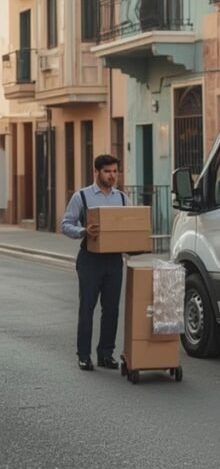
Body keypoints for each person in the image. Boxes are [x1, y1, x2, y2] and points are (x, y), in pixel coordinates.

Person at [62, 154, 130, 371]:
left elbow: (130, 224)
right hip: (90, 260)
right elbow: (65, 224)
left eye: (115, 171)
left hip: (114, 260)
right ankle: (84, 355)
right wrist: (83, 231)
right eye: (107, 171)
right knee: (87, 308)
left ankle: (106, 354)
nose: (112, 176)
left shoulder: (122, 198)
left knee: (111, 309)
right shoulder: (81, 196)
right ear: (97, 172)